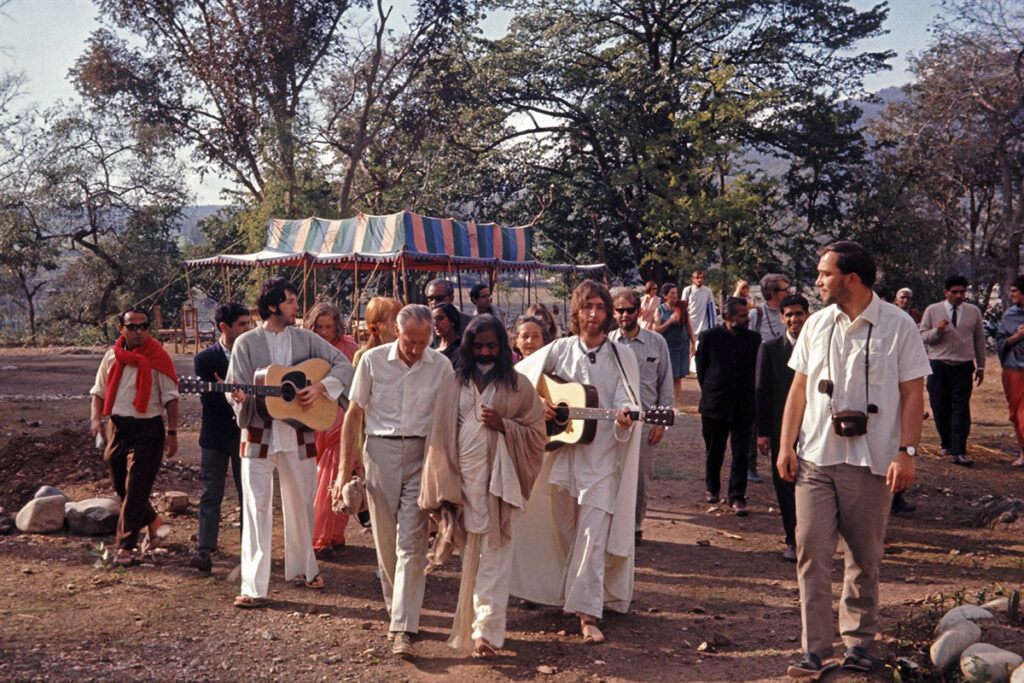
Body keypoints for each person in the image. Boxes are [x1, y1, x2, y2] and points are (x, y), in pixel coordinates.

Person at [778, 241, 928, 677]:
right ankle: (814, 650)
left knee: (864, 557)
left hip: (872, 460)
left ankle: (859, 644)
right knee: (811, 552)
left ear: (852, 278)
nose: (818, 281)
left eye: (825, 274)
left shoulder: (898, 325)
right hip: (816, 458)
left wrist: (906, 452)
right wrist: (787, 445)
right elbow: (799, 389)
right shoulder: (816, 323)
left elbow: (913, 394)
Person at [511, 279, 641, 645]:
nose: (594, 314)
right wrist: (538, 403)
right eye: (587, 307)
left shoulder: (622, 356)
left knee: (591, 537)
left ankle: (587, 614)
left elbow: (629, 400)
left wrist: (625, 418)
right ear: (576, 312)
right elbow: (518, 378)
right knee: (566, 532)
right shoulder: (559, 350)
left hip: (602, 462)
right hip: (563, 459)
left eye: (600, 307)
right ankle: (574, 594)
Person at [419, 315, 547, 659]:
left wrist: (504, 425)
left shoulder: (518, 386)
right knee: (470, 559)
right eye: (479, 346)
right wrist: (442, 486)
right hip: (461, 484)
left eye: (492, 346)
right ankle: (475, 625)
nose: (486, 352)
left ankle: (485, 633)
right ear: (468, 347)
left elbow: (537, 434)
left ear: (503, 347)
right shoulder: (453, 384)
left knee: (495, 558)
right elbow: (439, 436)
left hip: (499, 487)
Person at [226, 277, 354, 609]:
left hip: (299, 433)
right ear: (272, 306)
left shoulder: (306, 339)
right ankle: (253, 587)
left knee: (302, 504)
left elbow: (343, 364)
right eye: (291, 301)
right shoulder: (246, 343)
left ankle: (303, 570)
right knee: (257, 507)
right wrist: (238, 398)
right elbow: (233, 386)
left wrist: (321, 387)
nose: (297, 307)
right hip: (258, 436)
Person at [335, 305, 454, 659]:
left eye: (422, 342)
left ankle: (403, 626)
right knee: (385, 540)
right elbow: (353, 415)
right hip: (380, 452)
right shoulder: (372, 361)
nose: (415, 350)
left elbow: (450, 417)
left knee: (412, 542)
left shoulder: (441, 366)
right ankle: (396, 610)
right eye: (408, 341)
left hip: (423, 453)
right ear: (396, 333)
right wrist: (343, 472)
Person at [89, 306, 179, 568]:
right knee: (122, 486)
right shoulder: (112, 356)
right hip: (117, 427)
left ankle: (125, 547)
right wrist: (95, 420)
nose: (139, 331)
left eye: (144, 326)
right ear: (121, 328)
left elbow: (171, 398)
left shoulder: (158, 358)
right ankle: (152, 519)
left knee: (137, 487)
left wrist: (173, 433)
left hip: (148, 429)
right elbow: (99, 391)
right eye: (132, 327)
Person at [609, 287, 673, 543]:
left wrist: (661, 424)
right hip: (614, 422)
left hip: (646, 423)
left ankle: (634, 527)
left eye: (630, 310)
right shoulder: (607, 344)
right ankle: (612, 525)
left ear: (639, 311)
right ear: (614, 313)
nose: (625, 315)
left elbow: (665, 385)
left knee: (640, 479)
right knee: (611, 474)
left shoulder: (657, 342)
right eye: (620, 310)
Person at [190, 302, 249, 573]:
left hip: (244, 433)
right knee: (211, 492)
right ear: (224, 327)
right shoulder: (204, 359)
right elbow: (209, 400)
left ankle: (250, 548)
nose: (247, 329)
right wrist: (230, 393)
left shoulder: (251, 355)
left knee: (247, 492)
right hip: (215, 436)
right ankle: (205, 549)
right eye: (242, 324)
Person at [695, 297, 761, 516]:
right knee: (714, 450)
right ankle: (712, 488)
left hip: (743, 405)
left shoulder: (754, 339)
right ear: (728, 317)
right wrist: (712, 391)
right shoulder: (709, 337)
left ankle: (737, 497)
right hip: (715, 404)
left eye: (747, 315)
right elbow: (702, 370)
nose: (747, 319)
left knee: (741, 453)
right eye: (743, 316)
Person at [755, 294, 808, 562]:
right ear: (781, 318)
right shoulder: (771, 348)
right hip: (781, 429)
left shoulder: (819, 346)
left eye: (799, 314)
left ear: (807, 315)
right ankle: (792, 539)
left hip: (815, 427)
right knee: (785, 482)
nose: (794, 319)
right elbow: (761, 391)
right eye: (789, 315)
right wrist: (763, 433)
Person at [306, 301, 359, 560]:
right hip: (312, 417)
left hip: (341, 419)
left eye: (329, 327)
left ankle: (325, 536)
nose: (324, 332)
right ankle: (327, 533)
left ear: (337, 326)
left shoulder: (350, 349)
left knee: (334, 476)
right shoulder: (307, 347)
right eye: (319, 327)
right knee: (318, 477)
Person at [919, 275, 986, 467]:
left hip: (963, 365)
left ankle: (960, 450)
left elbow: (979, 340)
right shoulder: (933, 310)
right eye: (954, 292)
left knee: (961, 408)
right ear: (945, 292)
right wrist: (938, 331)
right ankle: (946, 444)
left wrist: (981, 366)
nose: (959, 296)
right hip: (938, 365)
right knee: (940, 406)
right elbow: (922, 336)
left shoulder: (973, 311)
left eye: (962, 292)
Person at [747, 273, 791, 483]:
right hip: (759, 373)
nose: (789, 292)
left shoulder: (788, 313)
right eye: (785, 289)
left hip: (784, 375)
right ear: (773, 293)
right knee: (755, 421)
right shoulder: (756, 314)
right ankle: (750, 465)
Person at [997, 275, 1024, 468]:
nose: (1011, 294)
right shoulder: (1010, 315)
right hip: (1013, 370)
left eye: (1014, 291)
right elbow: (1001, 342)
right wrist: (1018, 336)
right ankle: (1022, 452)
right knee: (1015, 413)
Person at [654, 282, 693, 404]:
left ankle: (675, 404)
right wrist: (670, 321)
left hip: (681, 345)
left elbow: (688, 325)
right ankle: (664, 401)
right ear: (665, 296)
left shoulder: (682, 307)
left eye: (676, 293)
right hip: (667, 346)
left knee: (678, 376)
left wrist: (693, 343)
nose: (675, 295)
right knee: (666, 375)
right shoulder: (660, 310)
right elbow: (657, 329)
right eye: (672, 293)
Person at [681, 270, 716, 372]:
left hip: (703, 324)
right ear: (693, 279)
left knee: (701, 349)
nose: (699, 280)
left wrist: (712, 325)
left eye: (701, 278)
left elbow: (711, 308)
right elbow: (683, 308)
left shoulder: (708, 291)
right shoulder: (687, 290)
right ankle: (686, 369)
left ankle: (700, 369)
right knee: (689, 349)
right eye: (697, 278)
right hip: (690, 324)